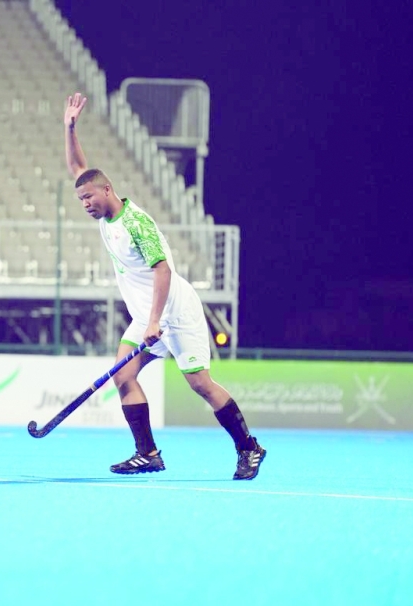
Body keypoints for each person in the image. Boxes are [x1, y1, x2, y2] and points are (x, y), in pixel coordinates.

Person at [63, 92, 266, 480]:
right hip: (148, 315)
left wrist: (155, 321)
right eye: (81, 199)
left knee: (201, 385)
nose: (85, 203)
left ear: (108, 191)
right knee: (123, 376)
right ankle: (148, 454)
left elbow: (163, 271)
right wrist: (70, 127)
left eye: (89, 197)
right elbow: (78, 168)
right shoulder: (103, 214)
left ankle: (250, 448)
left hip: (174, 310)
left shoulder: (137, 224)